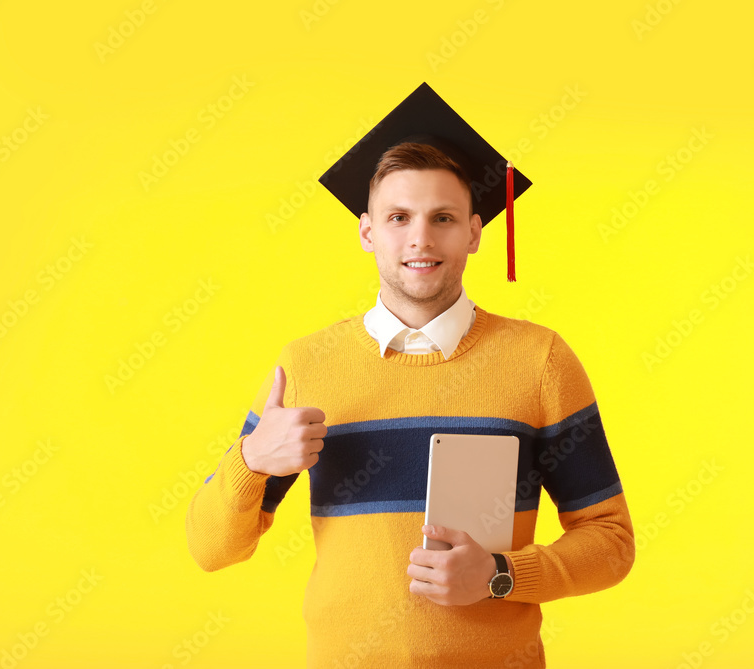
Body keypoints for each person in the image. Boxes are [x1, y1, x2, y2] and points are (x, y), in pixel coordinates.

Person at [185, 83, 634, 668]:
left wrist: (499, 575)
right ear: (368, 232)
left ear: (474, 232)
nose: (420, 238)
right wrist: (250, 460)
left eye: (443, 218)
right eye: (398, 217)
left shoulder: (540, 360)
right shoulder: (305, 366)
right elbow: (210, 549)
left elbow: (611, 542)